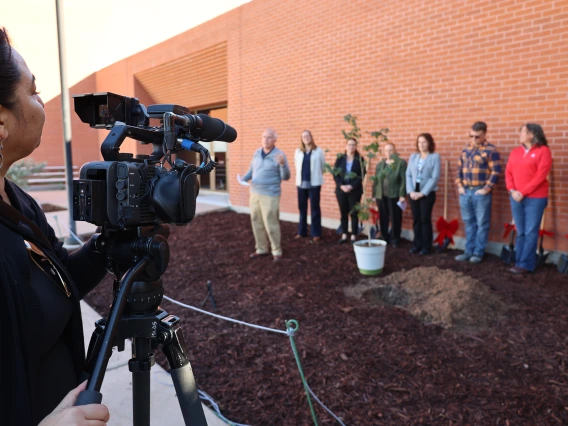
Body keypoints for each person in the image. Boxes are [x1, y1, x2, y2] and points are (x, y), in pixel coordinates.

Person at [0, 28, 110, 425]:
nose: (42, 103)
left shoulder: (19, 201)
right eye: (33, 92)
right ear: (1, 121)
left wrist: (110, 242)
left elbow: (65, 280)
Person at [505, 124, 552, 274]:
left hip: (535, 199)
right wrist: (512, 190)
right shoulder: (515, 152)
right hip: (516, 197)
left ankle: (525, 265)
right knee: (520, 231)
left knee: (531, 231)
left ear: (532, 134)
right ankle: (519, 261)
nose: (520, 134)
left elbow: (540, 176)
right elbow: (508, 173)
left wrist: (522, 192)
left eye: (523, 132)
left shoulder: (544, 151)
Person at [454, 121, 501, 263]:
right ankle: (468, 251)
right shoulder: (465, 150)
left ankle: (478, 253)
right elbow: (459, 170)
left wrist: (486, 188)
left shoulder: (491, 150)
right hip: (465, 192)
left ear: (484, 135)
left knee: (482, 223)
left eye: (477, 137)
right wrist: (460, 186)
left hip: (480, 193)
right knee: (469, 222)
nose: (473, 139)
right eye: (471, 136)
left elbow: (496, 171)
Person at [243, 128, 290, 261]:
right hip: (254, 192)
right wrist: (243, 178)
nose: (266, 139)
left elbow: (286, 177)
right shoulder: (257, 153)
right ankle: (262, 249)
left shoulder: (279, 155)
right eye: (264, 137)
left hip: (270, 194)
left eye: (269, 137)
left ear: (275, 140)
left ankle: (276, 250)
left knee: (271, 222)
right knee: (256, 221)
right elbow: (251, 170)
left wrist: (282, 165)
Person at [406, 133, 440, 255]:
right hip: (413, 191)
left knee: (425, 219)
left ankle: (426, 246)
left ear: (429, 143)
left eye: (424, 142)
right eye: (419, 142)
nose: (421, 144)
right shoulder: (413, 157)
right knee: (416, 219)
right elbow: (408, 175)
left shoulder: (435, 157)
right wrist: (410, 191)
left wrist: (422, 193)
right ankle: (417, 244)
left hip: (427, 192)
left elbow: (434, 177)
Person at [372, 142, 407, 247]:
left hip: (394, 195)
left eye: (391, 150)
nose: (388, 152)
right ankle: (384, 236)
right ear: (384, 152)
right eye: (386, 150)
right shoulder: (380, 164)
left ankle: (395, 238)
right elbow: (376, 180)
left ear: (395, 151)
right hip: (381, 195)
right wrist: (374, 194)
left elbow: (403, 180)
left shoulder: (400, 163)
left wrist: (402, 195)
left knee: (395, 217)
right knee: (383, 217)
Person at [294, 130, 325, 242]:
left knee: (315, 208)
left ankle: (316, 233)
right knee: (302, 209)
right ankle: (301, 232)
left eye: (308, 136)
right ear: (301, 139)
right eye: (304, 136)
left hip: (314, 184)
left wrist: (317, 175)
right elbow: (296, 166)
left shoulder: (318, 151)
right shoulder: (298, 152)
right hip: (301, 184)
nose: (306, 138)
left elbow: (323, 166)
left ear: (311, 137)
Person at [333, 138, 364, 244]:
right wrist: (341, 186)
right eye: (349, 144)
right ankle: (344, 234)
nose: (351, 147)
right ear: (346, 146)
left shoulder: (360, 159)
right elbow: (335, 173)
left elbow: (361, 176)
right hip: (341, 190)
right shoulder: (340, 158)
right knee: (343, 212)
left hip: (354, 190)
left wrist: (351, 186)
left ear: (356, 146)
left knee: (354, 212)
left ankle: (354, 235)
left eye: (353, 145)